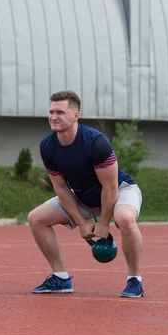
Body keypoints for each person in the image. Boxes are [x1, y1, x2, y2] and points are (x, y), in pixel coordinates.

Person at [28, 90, 144, 297]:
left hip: (120, 190)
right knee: (36, 218)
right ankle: (61, 278)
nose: (54, 117)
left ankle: (134, 280)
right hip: (82, 196)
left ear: (75, 115)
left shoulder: (95, 142)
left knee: (125, 219)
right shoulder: (47, 146)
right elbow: (61, 187)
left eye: (60, 112)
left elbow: (110, 189)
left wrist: (103, 224)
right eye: (51, 112)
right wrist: (81, 223)